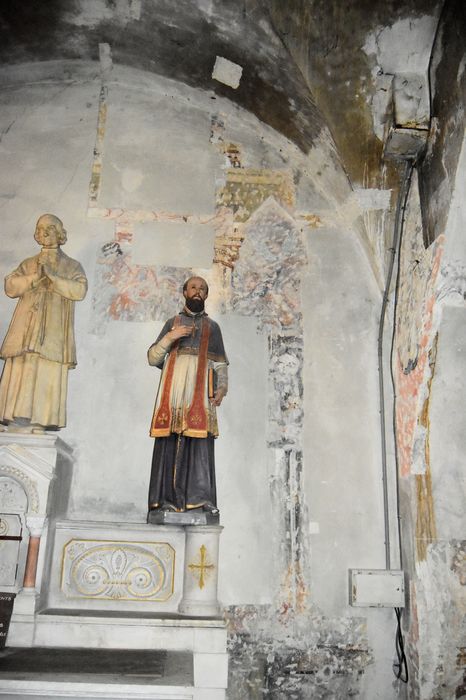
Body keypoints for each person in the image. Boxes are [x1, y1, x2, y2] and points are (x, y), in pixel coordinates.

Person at [148, 276, 228, 515]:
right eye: (193, 287)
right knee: (170, 442)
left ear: (206, 295)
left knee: (200, 444)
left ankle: (200, 500)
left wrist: (222, 386)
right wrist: (171, 337)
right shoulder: (172, 322)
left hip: (200, 394)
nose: (198, 291)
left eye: (203, 288)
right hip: (173, 394)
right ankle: (165, 501)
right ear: (184, 291)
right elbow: (153, 358)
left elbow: (220, 364)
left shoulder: (212, 327)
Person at [0, 214, 87, 431]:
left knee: (48, 371)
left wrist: (53, 279)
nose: (45, 232)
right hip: (25, 331)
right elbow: (10, 286)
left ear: (60, 233)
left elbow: (80, 290)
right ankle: (12, 417)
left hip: (53, 333)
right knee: (21, 368)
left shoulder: (72, 265)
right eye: (40, 228)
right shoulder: (28, 264)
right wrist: (32, 279)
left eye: (50, 228)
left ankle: (42, 419)